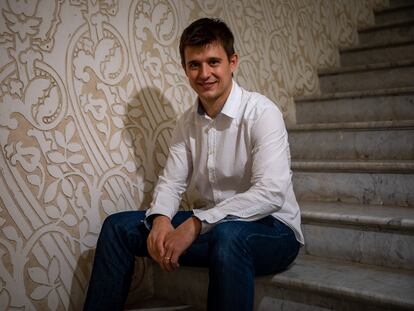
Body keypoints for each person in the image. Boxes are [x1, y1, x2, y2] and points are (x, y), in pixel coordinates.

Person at [83, 17, 304, 311]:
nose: (204, 73)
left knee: (228, 235)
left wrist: (197, 223)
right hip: (214, 228)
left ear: (232, 62)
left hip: (273, 231)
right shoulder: (186, 122)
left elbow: (271, 192)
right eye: (194, 64)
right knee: (117, 227)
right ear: (185, 68)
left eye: (214, 62)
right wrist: (161, 219)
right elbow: (172, 182)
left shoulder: (262, 112)